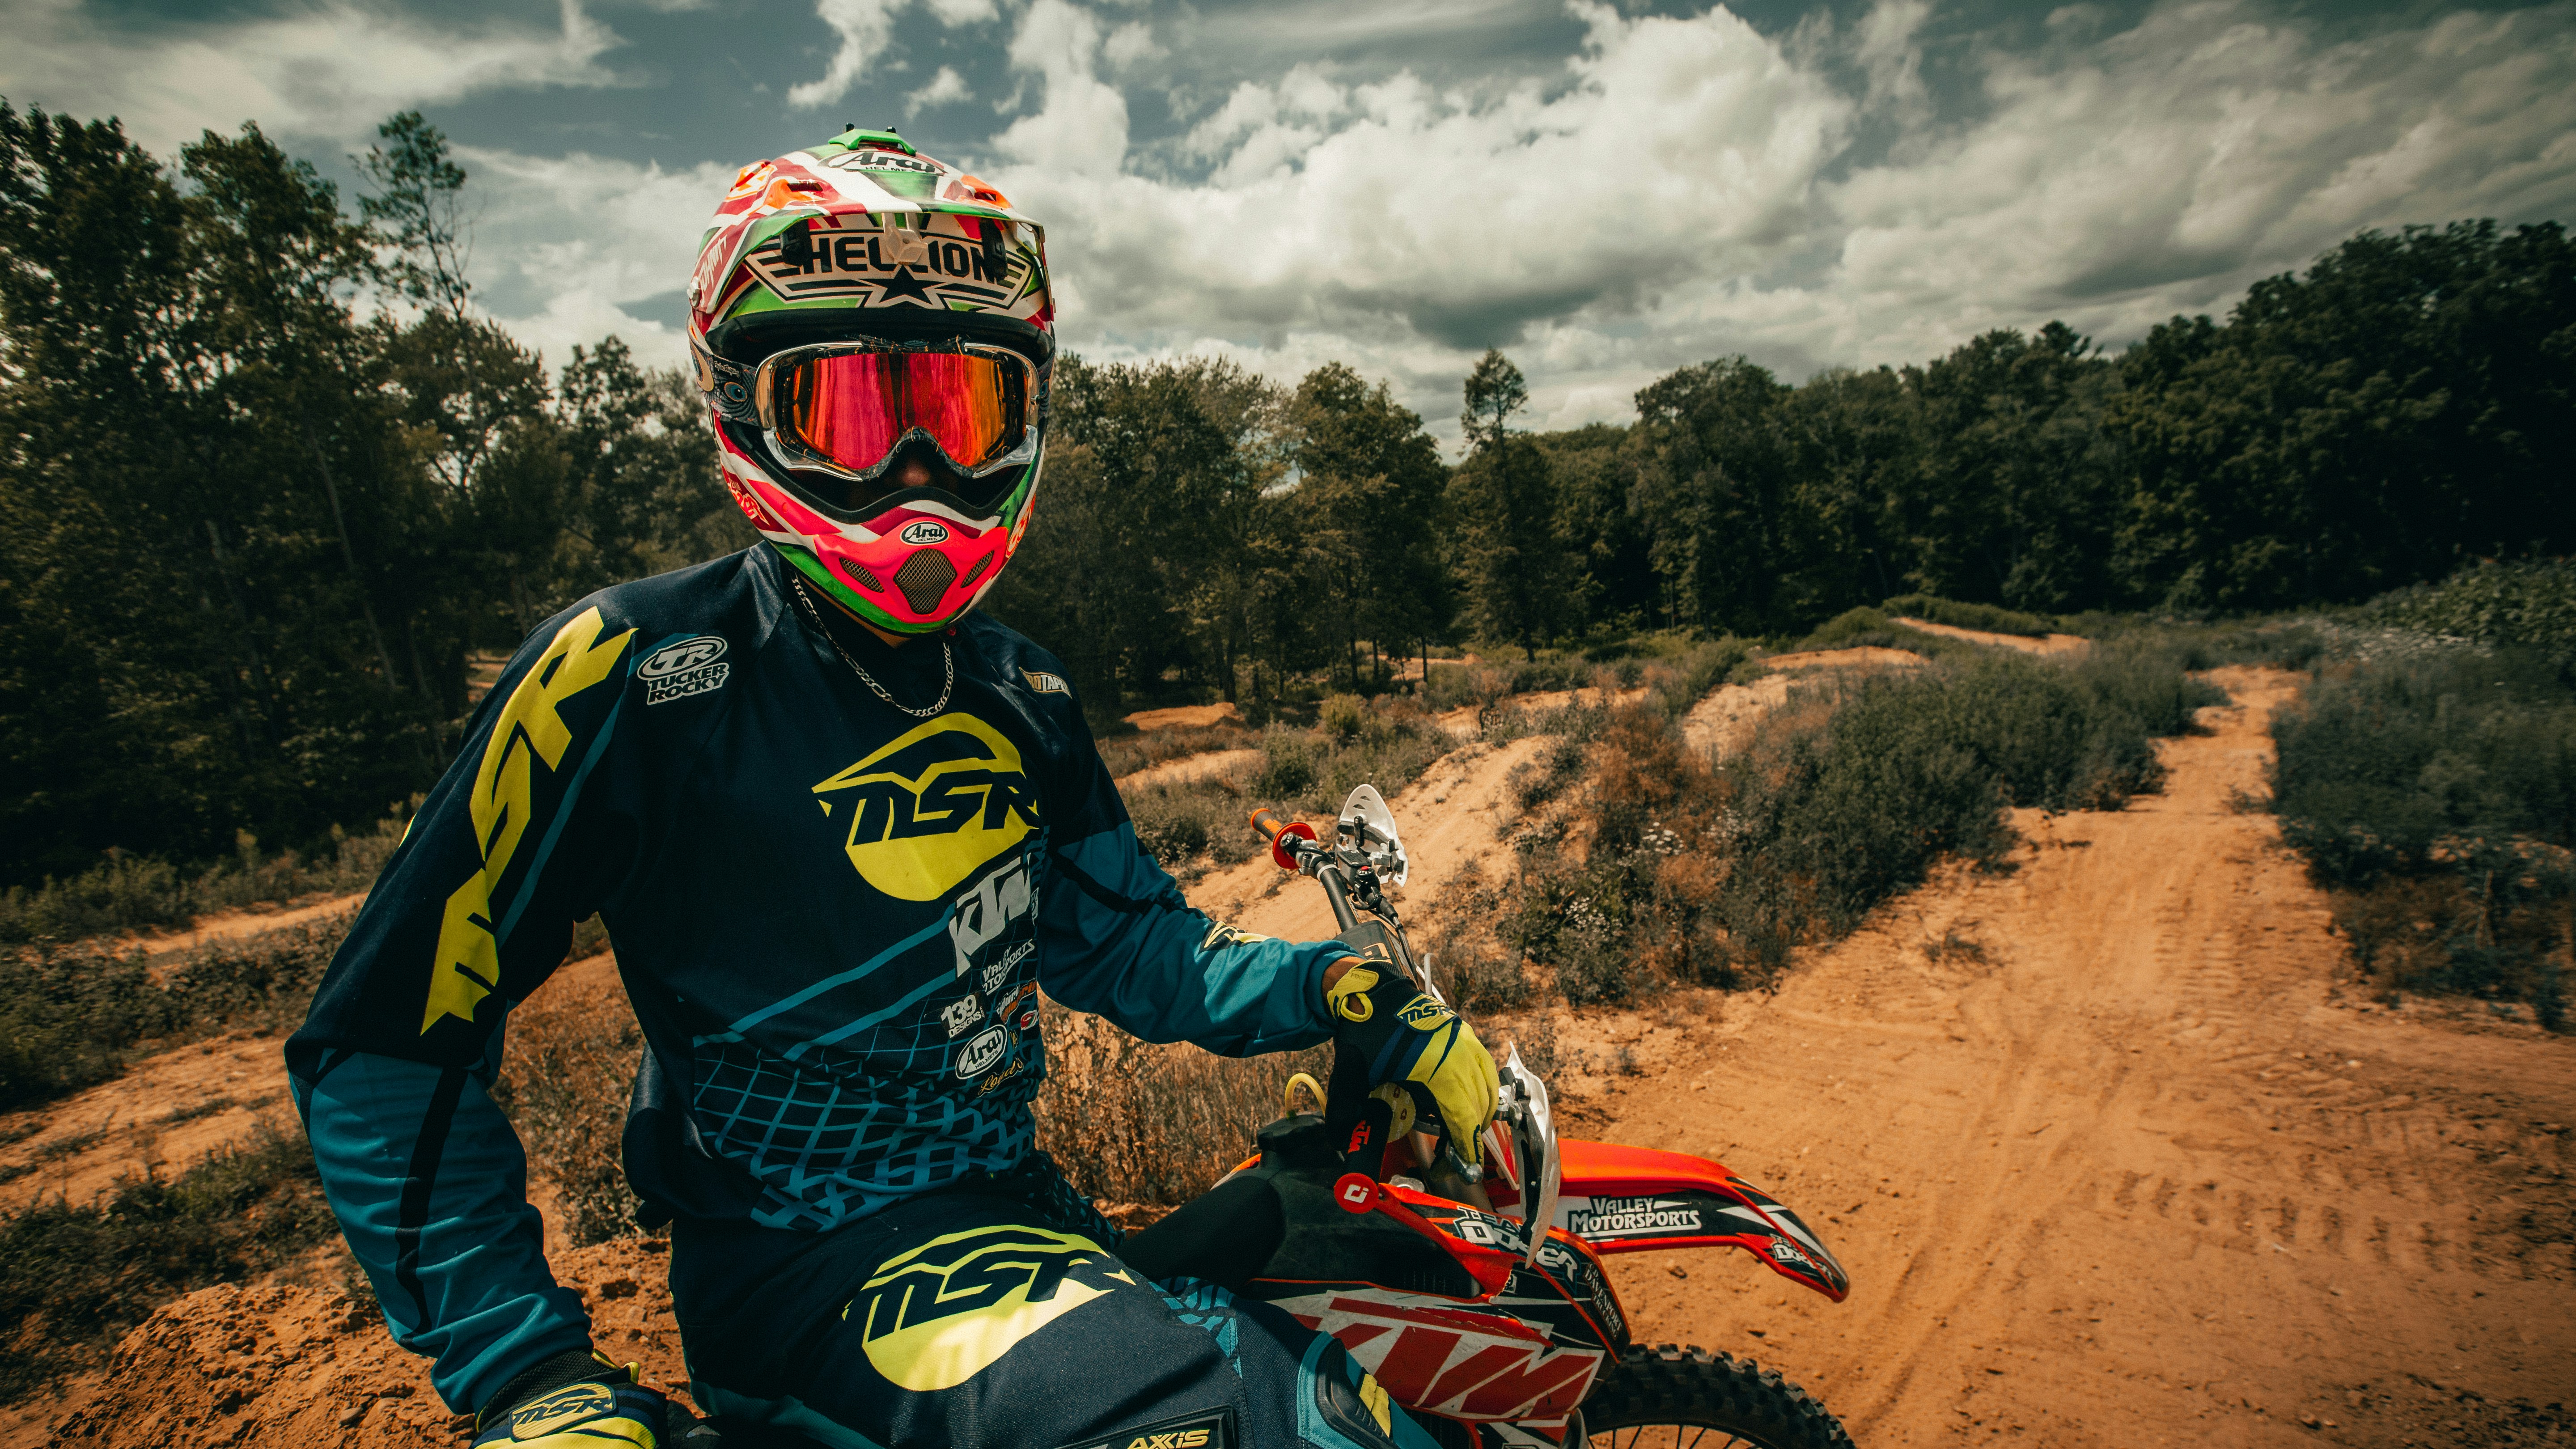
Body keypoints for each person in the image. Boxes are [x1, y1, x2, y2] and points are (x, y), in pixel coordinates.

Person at [285, 127, 1500, 1449]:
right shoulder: (633, 674)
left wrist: (1331, 987)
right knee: (1267, 1424)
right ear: (743, 405)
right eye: (856, 412)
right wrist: (525, 1376)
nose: (918, 469)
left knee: (1370, 1342)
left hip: (1017, 1218)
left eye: (965, 411)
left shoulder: (1018, 692)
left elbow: (1129, 944)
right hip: (801, 1267)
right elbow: (387, 1035)